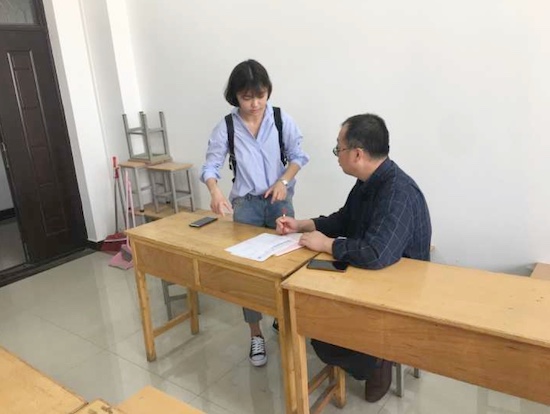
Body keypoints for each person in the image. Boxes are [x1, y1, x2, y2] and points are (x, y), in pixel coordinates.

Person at [276, 113, 431, 402]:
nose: (337, 155)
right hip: (370, 276)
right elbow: (345, 219)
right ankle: (368, 352)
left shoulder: (397, 192)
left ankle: (379, 358)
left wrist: (327, 244)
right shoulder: (368, 181)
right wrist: (303, 225)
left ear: (357, 154)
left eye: (339, 148)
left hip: (397, 288)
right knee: (317, 322)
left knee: (327, 339)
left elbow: (376, 253)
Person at [201, 59, 310, 367]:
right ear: (235, 96)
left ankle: (282, 317)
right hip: (246, 206)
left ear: (268, 92)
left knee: (285, 264)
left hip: (279, 201)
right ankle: (255, 334)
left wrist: (283, 182)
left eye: (260, 95)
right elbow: (210, 166)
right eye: (246, 97)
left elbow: (299, 156)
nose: (254, 104)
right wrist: (215, 191)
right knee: (248, 273)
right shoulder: (226, 127)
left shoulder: (280, 119)